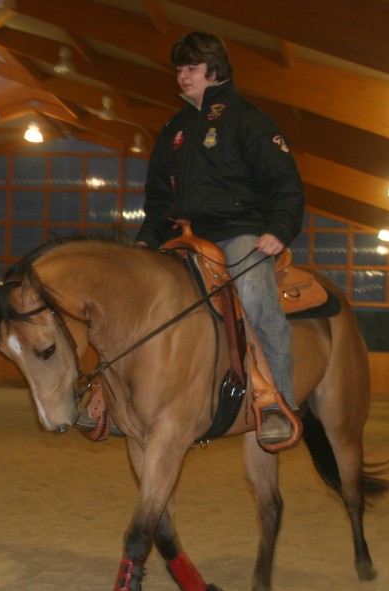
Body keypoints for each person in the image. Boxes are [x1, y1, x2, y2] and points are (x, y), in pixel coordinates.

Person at [134, 31, 305, 444]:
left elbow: (286, 183)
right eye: (178, 69)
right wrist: (145, 241)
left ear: (214, 71)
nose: (182, 77)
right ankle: (115, 398)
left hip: (239, 233)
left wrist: (277, 231)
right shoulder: (173, 130)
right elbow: (158, 198)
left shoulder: (248, 119)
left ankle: (277, 402)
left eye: (191, 69)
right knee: (135, 300)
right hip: (182, 237)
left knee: (256, 298)